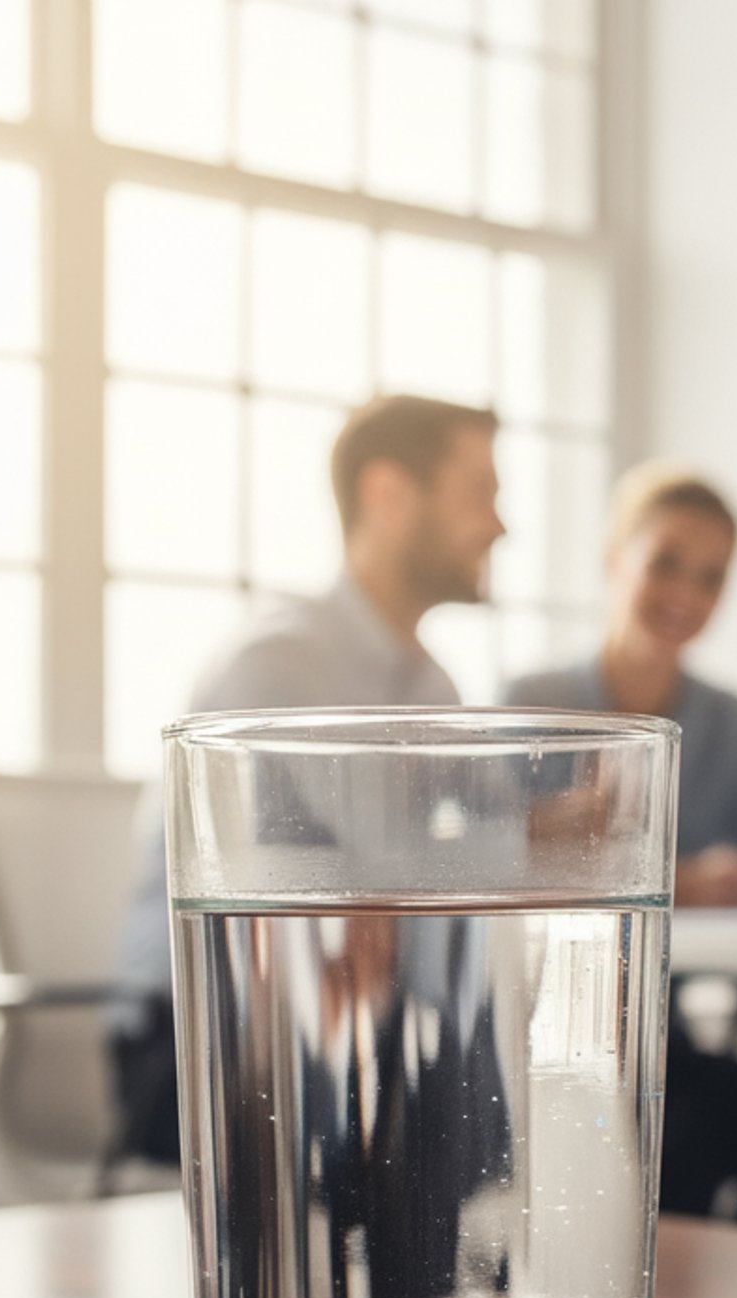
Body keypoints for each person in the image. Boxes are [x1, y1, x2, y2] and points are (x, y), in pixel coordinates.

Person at [110, 393, 506, 1168]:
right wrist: (531, 836)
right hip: (202, 1044)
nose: (499, 524)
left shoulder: (434, 689)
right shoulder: (278, 667)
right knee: (452, 1123)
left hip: (357, 1026)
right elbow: (374, 879)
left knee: (498, 1091)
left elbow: (482, 852)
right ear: (388, 494)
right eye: (480, 493)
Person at [504, 463, 737, 1232]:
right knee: (680, 1144)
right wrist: (680, 879)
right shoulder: (530, 703)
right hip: (538, 1038)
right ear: (613, 557)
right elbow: (472, 865)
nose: (685, 595)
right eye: (665, 563)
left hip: (658, 1032)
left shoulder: (728, 721)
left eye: (711, 577)